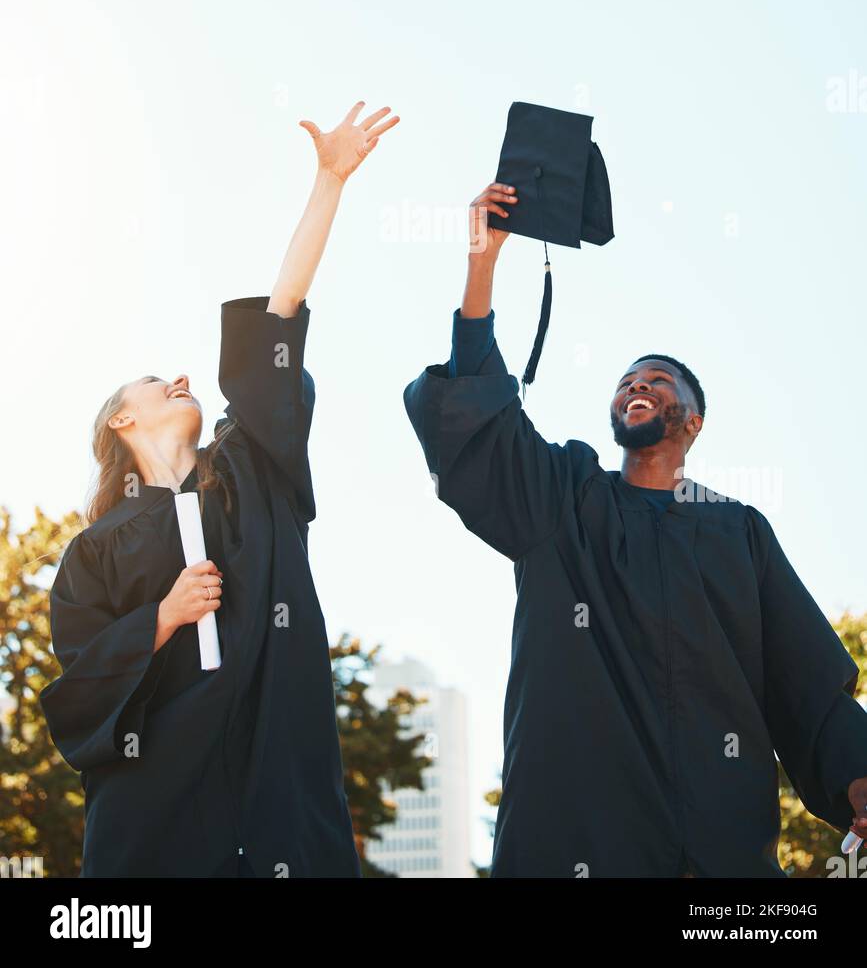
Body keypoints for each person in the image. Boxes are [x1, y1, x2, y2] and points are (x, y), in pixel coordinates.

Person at [403, 182, 867, 878]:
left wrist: (859, 785)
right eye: (623, 382)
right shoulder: (563, 501)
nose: (634, 386)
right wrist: (481, 264)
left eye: (655, 379)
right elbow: (481, 423)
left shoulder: (737, 532)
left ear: (692, 421)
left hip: (720, 849)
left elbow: (805, 682)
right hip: (577, 839)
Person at [40, 100, 399, 878]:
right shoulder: (93, 555)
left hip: (280, 797)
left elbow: (277, 320)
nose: (178, 378)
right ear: (121, 424)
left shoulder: (250, 472)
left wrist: (329, 183)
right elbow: (76, 697)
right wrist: (160, 620)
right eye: (151, 382)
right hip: (158, 820)